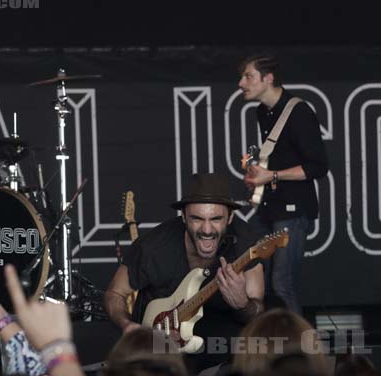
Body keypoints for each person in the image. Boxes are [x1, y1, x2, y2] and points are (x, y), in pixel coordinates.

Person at [104, 173, 265, 374]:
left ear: (230, 217)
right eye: (197, 218)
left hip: (222, 347)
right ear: (183, 216)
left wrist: (243, 304)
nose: (207, 229)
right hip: (162, 348)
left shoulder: (246, 245)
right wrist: (127, 325)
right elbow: (114, 294)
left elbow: (258, 314)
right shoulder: (153, 247)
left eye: (216, 219)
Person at [238, 54, 329, 314]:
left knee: (282, 283)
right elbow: (278, 158)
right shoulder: (262, 112)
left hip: (293, 210)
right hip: (269, 207)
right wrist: (258, 177)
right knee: (252, 273)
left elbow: (318, 166)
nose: (241, 83)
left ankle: (301, 350)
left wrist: (273, 176)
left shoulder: (298, 111)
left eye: (248, 76)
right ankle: (267, 343)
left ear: (268, 78)